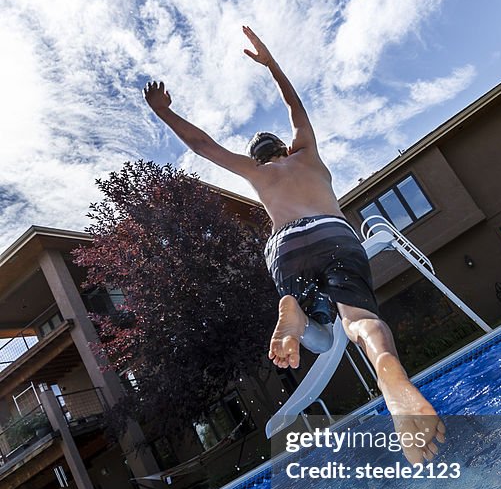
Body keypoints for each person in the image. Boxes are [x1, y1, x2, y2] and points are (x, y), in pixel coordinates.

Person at [143, 26, 445, 462]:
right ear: (284, 146)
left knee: (321, 341)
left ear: (259, 156)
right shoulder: (307, 155)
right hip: (333, 232)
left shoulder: (258, 174)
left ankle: (296, 315)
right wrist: (271, 65)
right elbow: (294, 105)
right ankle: (386, 369)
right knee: (359, 323)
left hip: (285, 248)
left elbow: (202, 145)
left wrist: (163, 112)